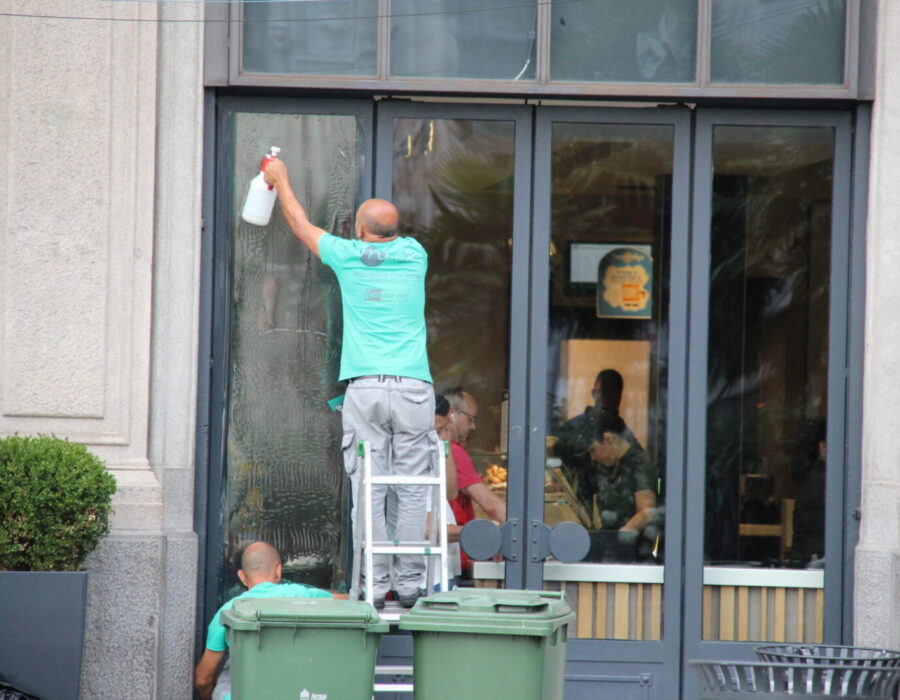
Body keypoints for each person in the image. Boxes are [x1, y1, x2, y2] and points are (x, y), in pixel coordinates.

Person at [264, 160, 435, 609]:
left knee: (369, 488)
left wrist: (281, 178)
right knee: (412, 487)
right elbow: (386, 235)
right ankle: (410, 585)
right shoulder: (415, 254)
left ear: (359, 229)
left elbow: (299, 224)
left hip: (367, 389)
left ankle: (374, 586)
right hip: (413, 387)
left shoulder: (347, 256)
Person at [194, 542, 332, 700]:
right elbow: (347, 602)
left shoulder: (227, 612)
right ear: (278, 571)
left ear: (242, 577)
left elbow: (203, 680)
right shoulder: (305, 596)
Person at [580, 411, 659, 562]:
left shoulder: (639, 463)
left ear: (607, 439)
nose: (593, 457)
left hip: (636, 554)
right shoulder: (614, 465)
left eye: (593, 449)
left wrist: (620, 537)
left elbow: (647, 510)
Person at [443, 387, 506, 575]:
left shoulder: (446, 449)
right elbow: (493, 507)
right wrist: (529, 535)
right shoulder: (453, 452)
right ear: (453, 413)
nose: (473, 427)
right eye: (470, 419)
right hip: (454, 554)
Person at [554, 369, 640, 483]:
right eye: (601, 394)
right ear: (594, 394)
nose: (604, 401)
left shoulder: (622, 430)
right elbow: (555, 464)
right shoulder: (574, 427)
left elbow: (639, 464)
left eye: (610, 395)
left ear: (618, 397)